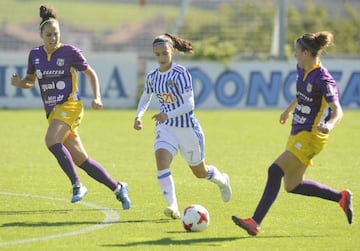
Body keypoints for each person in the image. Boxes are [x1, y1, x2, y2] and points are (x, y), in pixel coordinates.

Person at [232, 31, 352, 235]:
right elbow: (302, 94)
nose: (294, 54)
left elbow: (337, 109)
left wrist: (330, 124)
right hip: (298, 132)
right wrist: (289, 110)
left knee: (275, 170)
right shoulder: (301, 68)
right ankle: (340, 197)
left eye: (296, 51)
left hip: (312, 136)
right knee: (292, 185)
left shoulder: (324, 79)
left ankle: (255, 222)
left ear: (306, 52)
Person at [11, 5, 131, 209]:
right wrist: (20, 83)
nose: (53, 37)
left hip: (71, 106)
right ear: (41, 35)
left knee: (50, 140)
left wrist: (97, 97)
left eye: (56, 33)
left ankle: (77, 185)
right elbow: (30, 80)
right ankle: (118, 187)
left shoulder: (69, 52)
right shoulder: (35, 55)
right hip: (54, 113)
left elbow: (90, 73)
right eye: (49, 34)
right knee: (81, 159)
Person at [133, 33, 232, 219]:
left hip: (187, 129)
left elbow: (190, 104)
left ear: (172, 52)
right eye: (158, 54)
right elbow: (146, 97)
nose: (162, 58)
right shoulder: (153, 76)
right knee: (161, 161)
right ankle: (173, 207)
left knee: (200, 172)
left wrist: (167, 114)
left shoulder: (181, 74)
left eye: (165, 53)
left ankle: (221, 180)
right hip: (166, 127)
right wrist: (139, 116)